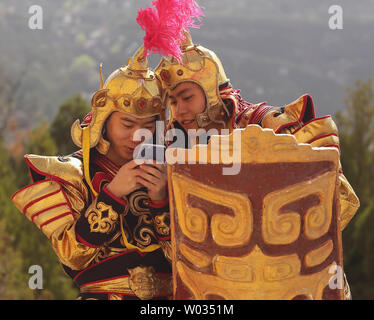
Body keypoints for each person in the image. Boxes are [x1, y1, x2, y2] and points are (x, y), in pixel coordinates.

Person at [154, 32, 359, 300]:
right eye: (172, 101)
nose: (179, 110)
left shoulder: (273, 126)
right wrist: (159, 201)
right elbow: (179, 252)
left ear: (211, 90)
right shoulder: (176, 151)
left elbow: (342, 204)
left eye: (186, 97)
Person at [11, 46, 172, 300]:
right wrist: (113, 195)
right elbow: (72, 257)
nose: (137, 136)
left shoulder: (173, 171)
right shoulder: (74, 173)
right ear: (105, 120)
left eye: (148, 126)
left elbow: (189, 258)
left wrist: (161, 200)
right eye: (127, 124)